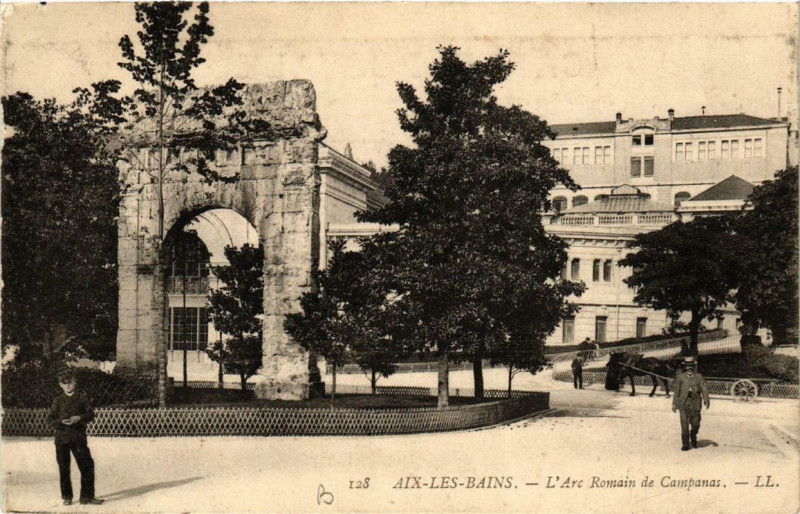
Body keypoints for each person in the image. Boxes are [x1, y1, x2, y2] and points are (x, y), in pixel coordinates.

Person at [46, 369, 104, 506]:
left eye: (70, 382)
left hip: (78, 438)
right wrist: (61, 422)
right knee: (64, 468)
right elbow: (50, 419)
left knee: (87, 466)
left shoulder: (82, 398)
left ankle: (87, 497)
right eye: (64, 383)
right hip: (62, 439)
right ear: (60, 385)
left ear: (74, 382)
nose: (68, 385)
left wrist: (80, 417)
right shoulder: (58, 400)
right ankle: (67, 497)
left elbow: (91, 414)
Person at [671, 355, 710, 451]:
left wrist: (706, 399)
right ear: (685, 367)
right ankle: (685, 444)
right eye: (688, 366)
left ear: (694, 366)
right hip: (683, 403)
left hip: (695, 402)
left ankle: (693, 436)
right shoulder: (681, 377)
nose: (690, 367)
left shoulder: (699, 376)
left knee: (695, 424)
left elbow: (704, 388)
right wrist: (674, 403)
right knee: (684, 424)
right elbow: (677, 391)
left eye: (691, 365)